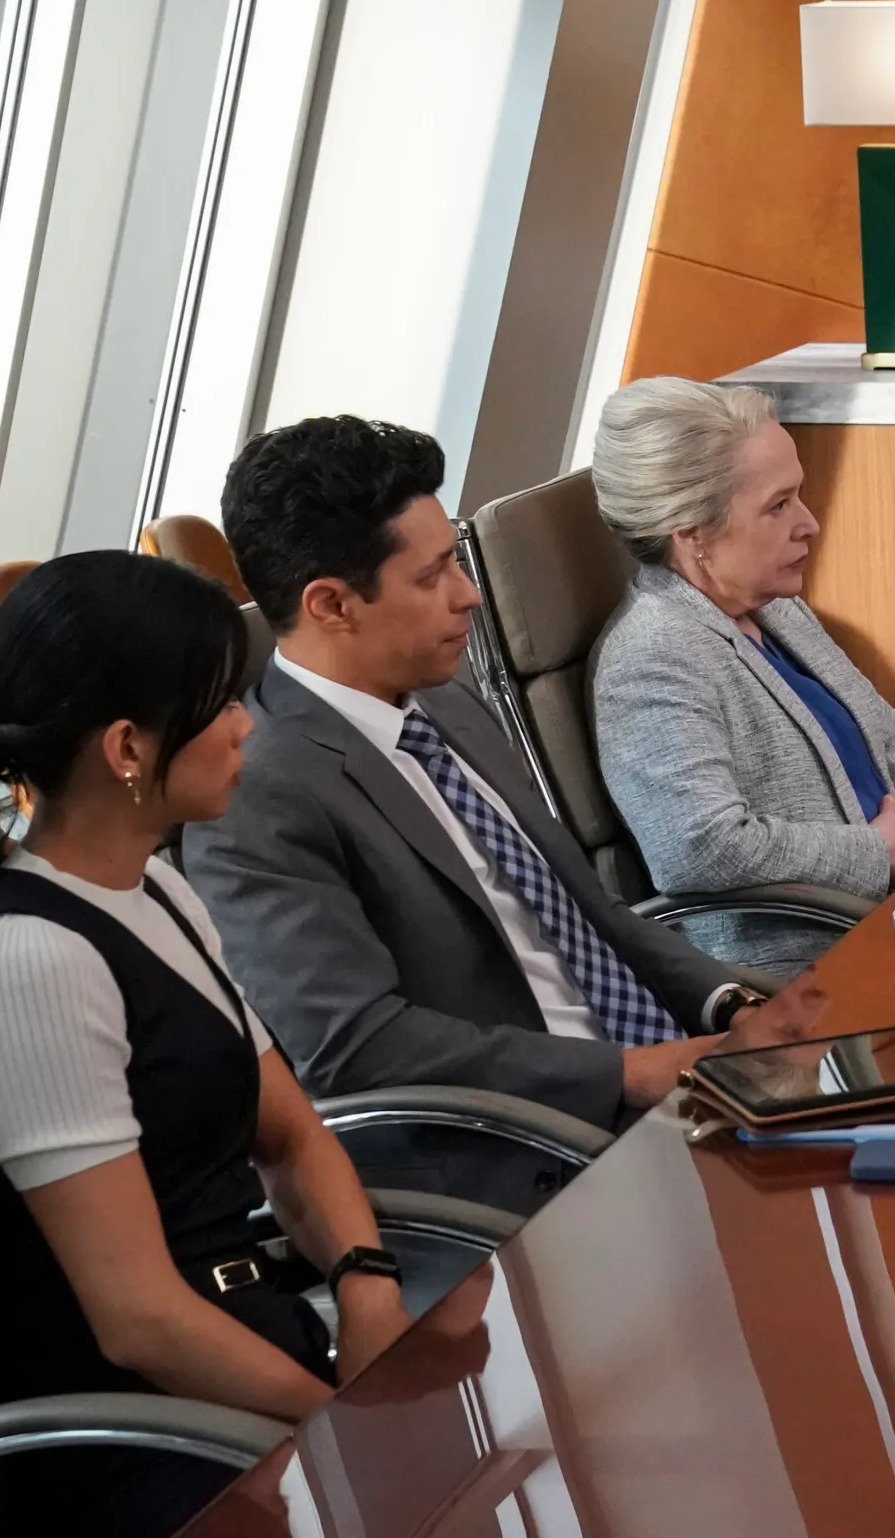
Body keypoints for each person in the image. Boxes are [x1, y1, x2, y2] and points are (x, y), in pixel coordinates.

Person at [0, 553, 423, 1538]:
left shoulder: (159, 888)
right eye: (221, 703)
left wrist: (366, 1278)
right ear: (129, 747)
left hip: (253, 1365)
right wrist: (343, 1419)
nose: (249, 726)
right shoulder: (29, 963)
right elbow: (137, 1316)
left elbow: (289, 1132)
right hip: (144, 1453)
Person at [184, 417, 817, 1140]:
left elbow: (593, 915)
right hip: (523, 1138)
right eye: (431, 577)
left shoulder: (445, 698)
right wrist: (631, 1071)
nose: (469, 596)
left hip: (663, 1082)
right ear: (331, 605)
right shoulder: (258, 795)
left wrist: (731, 1004)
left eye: (455, 561)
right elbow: (357, 1049)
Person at [587, 377, 895, 975]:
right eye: (778, 505)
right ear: (692, 531)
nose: (809, 523)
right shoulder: (653, 656)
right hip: (812, 966)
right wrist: (877, 852)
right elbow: (698, 848)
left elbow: (891, 731)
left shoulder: (775, 605)